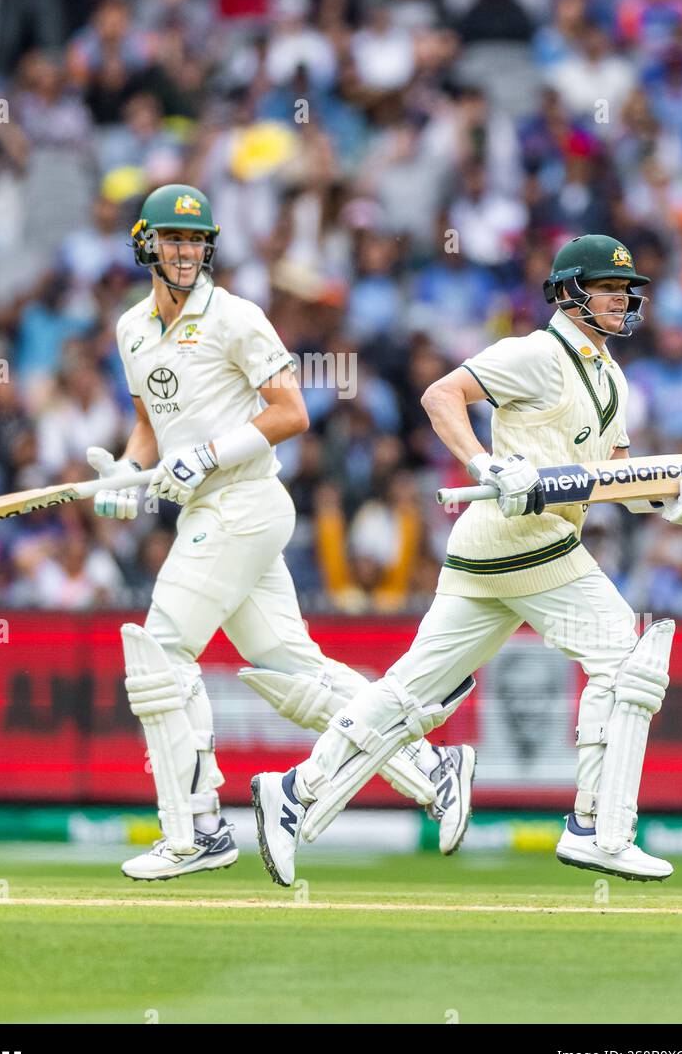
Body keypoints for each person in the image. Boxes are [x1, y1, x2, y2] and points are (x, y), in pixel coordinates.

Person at [252, 234, 682, 886]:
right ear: (569, 292)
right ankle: (598, 828)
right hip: (519, 534)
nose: (623, 298)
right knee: (626, 657)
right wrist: (485, 462)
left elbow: (610, 481)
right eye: (609, 286)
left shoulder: (610, 377)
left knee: (413, 691)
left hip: (499, 545)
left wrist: (675, 495)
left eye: (626, 288)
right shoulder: (535, 354)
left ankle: (294, 789)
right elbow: (442, 395)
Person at [91, 183, 474, 880]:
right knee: (294, 670)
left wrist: (206, 455)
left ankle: (198, 829)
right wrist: (125, 472)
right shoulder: (131, 330)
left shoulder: (236, 317)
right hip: (208, 511)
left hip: (243, 501)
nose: (185, 253)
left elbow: (291, 412)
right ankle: (431, 767)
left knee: (161, 648)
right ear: (145, 244)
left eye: (195, 241)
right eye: (172, 241)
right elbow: (152, 424)